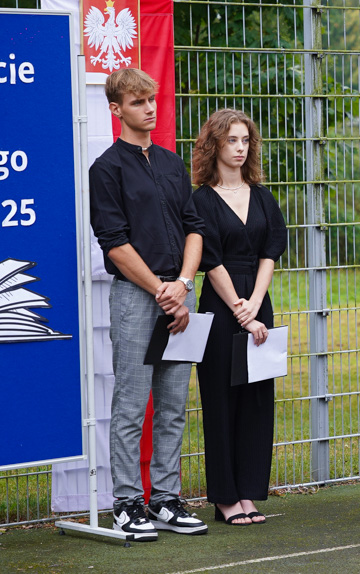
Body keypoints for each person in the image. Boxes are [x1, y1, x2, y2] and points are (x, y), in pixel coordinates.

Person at [89, 68, 208, 540]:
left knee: (175, 403)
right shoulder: (106, 168)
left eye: (152, 100)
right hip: (137, 298)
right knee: (132, 403)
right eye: (138, 102)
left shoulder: (172, 163)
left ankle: (164, 499)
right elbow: (113, 242)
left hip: (181, 293)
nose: (151, 109)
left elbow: (194, 227)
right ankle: (125, 503)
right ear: (116, 109)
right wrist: (162, 290)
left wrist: (182, 283)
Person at [191, 109, 287, 526]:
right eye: (232, 140)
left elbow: (270, 252)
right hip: (220, 308)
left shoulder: (263, 196)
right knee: (220, 401)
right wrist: (239, 310)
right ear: (214, 144)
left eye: (245, 140)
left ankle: (248, 493)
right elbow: (208, 259)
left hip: (257, 303)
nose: (240, 148)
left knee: (256, 401)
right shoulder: (200, 199)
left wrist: (255, 304)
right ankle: (225, 498)